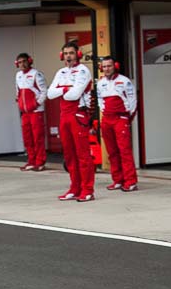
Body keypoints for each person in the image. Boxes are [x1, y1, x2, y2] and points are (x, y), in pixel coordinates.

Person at [47, 42, 95, 202]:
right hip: (64, 116)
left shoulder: (83, 71)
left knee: (83, 155)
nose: (68, 56)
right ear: (62, 56)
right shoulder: (60, 72)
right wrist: (66, 89)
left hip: (78, 115)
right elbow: (50, 93)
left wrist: (63, 90)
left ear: (78, 54)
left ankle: (87, 190)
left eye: (71, 53)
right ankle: (75, 188)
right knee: (69, 155)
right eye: (66, 53)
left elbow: (75, 95)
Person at [96, 56, 138, 192]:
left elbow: (133, 101)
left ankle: (130, 181)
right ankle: (118, 180)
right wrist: (104, 112)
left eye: (109, 66)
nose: (107, 69)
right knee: (112, 152)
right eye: (105, 66)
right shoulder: (100, 83)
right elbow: (100, 101)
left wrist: (127, 118)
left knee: (124, 151)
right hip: (106, 119)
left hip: (121, 119)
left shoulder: (125, 81)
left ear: (115, 66)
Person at [15, 52, 47, 171]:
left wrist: (36, 104)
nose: (22, 64)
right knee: (27, 137)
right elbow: (17, 92)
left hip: (36, 111)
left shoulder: (36, 74)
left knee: (37, 137)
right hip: (25, 112)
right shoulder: (18, 75)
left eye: (24, 61)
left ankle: (40, 162)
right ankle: (31, 160)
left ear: (29, 61)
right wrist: (20, 103)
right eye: (19, 62)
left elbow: (44, 92)